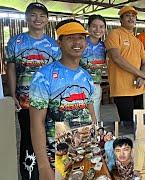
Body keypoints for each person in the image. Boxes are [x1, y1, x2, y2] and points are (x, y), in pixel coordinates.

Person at [29, 19, 96, 180]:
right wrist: (44, 165)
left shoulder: (86, 76)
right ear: (59, 42)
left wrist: (95, 148)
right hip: (57, 155)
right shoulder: (43, 76)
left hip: (84, 151)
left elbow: (91, 113)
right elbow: (36, 123)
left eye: (80, 37)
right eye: (70, 38)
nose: (77, 42)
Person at [5, 2, 60, 179]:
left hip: (49, 101)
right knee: (28, 139)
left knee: (50, 138)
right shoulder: (16, 41)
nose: (38, 19)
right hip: (25, 100)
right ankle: (30, 174)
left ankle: (51, 172)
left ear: (47, 20)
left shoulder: (53, 45)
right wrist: (12, 94)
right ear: (27, 17)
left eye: (42, 16)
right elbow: (11, 69)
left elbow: (56, 73)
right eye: (34, 15)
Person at [105, 6, 145, 129]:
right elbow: (117, 58)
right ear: (121, 20)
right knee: (128, 124)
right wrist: (140, 74)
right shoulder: (114, 34)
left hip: (139, 87)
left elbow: (144, 63)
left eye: (133, 16)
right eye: (127, 15)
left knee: (139, 123)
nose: (131, 18)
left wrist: (143, 76)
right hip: (122, 89)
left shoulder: (138, 41)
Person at [81, 14, 106, 123]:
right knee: (79, 118)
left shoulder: (105, 46)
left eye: (101, 27)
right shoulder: (81, 43)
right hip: (80, 86)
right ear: (88, 27)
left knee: (95, 119)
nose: (98, 30)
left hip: (96, 86)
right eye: (94, 26)